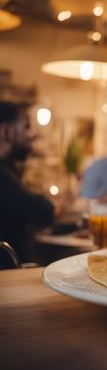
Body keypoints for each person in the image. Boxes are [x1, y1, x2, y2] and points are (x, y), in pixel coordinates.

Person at [0, 101, 55, 266]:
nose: (33, 134)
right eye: (26, 127)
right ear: (6, 132)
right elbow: (42, 210)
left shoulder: (8, 168)